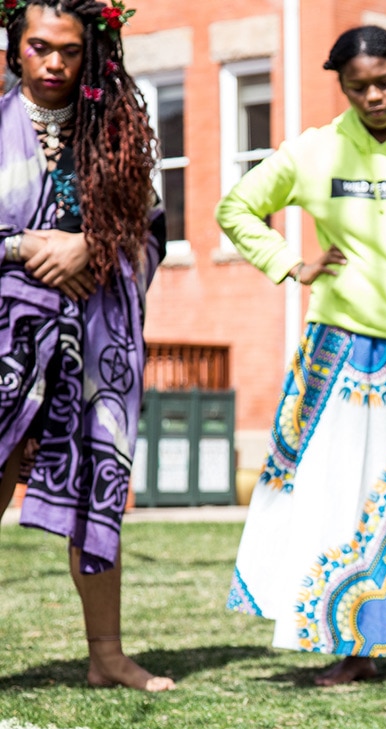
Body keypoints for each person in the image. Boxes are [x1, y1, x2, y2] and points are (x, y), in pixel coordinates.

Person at [216, 25, 386, 690]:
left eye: (384, 81)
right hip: (338, 353)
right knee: (344, 500)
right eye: (357, 86)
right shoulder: (316, 151)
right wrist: (292, 264)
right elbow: (237, 208)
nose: (373, 95)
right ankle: (353, 648)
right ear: (340, 86)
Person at [0, 0, 172, 691]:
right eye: (40, 47)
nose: (55, 63)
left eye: (70, 50)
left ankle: (106, 655)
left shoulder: (116, 137)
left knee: (99, 490)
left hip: (92, 343)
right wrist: (21, 245)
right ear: (15, 48)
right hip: (6, 346)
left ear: (91, 54)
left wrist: (92, 248)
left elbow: (152, 232)